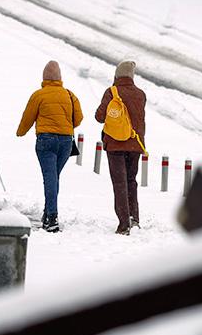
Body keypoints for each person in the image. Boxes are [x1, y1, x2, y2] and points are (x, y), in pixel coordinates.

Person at [17, 60, 82, 233]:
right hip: (66, 142)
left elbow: (28, 117)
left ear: (44, 77)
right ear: (60, 77)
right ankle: (47, 214)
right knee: (54, 177)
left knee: (50, 178)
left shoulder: (39, 95)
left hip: (46, 141)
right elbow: (79, 118)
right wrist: (65, 127)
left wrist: (20, 132)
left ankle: (52, 217)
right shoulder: (70, 95)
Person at [95, 60, 147, 235]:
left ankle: (124, 224)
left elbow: (100, 117)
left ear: (116, 75)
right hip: (135, 145)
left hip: (116, 145)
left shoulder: (111, 92)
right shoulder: (140, 94)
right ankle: (135, 218)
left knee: (119, 183)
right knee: (131, 181)